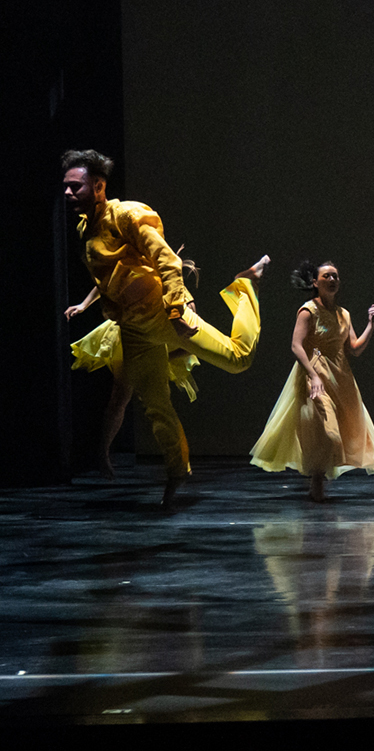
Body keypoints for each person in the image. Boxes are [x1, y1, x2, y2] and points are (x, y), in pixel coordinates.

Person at [62, 149, 266, 506]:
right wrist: (86, 303)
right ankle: (176, 473)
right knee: (155, 404)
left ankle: (244, 285)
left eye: (75, 187)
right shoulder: (85, 228)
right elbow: (110, 274)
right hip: (133, 328)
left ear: (98, 186)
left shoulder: (126, 214)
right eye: (66, 187)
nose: (67, 193)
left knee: (238, 358)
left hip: (162, 313)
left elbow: (166, 259)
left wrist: (178, 308)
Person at [251, 261, 374, 501]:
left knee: (341, 431)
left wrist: (371, 325)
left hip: (341, 377)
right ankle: (316, 482)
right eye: (327, 276)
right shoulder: (308, 310)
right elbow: (296, 345)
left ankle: (318, 483)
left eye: (335, 276)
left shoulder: (343, 313)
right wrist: (313, 375)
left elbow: (354, 349)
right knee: (325, 430)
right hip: (314, 374)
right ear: (315, 282)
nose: (332, 280)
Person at [66, 274, 200, 480]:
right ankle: (103, 455)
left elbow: (190, 342)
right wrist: (83, 305)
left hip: (157, 343)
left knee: (160, 404)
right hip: (130, 335)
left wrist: (164, 357)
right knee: (120, 396)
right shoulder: (141, 274)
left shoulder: (181, 296)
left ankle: (181, 462)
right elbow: (106, 282)